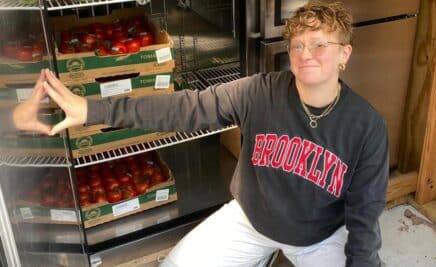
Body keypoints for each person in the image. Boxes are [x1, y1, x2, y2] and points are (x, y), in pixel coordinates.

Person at [13, 1, 388, 266]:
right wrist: (91, 109)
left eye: (321, 44)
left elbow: (364, 216)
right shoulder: (259, 91)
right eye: (298, 45)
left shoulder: (366, 127)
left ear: (345, 54)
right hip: (251, 220)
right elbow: (184, 107)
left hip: (318, 237)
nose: (307, 53)